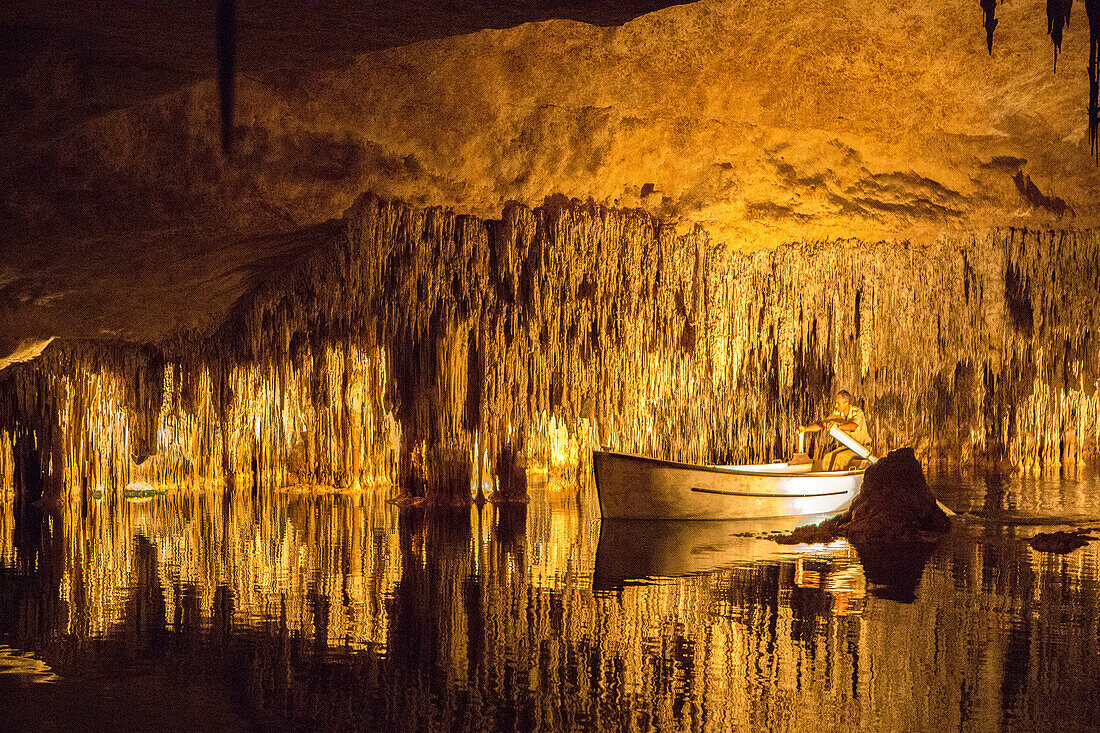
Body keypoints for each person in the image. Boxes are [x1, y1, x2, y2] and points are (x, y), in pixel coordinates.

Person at [797, 391, 872, 471]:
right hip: (847, 447)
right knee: (827, 458)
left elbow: (853, 426)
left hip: (862, 448)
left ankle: (836, 481)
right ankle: (825, 479)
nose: (836, 406)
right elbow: (822, 424)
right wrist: (806, 429)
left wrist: (838, 427)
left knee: (840, 458)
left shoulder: (857, 413)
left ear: (846, 403)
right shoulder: (836, 414)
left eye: (838, 403)